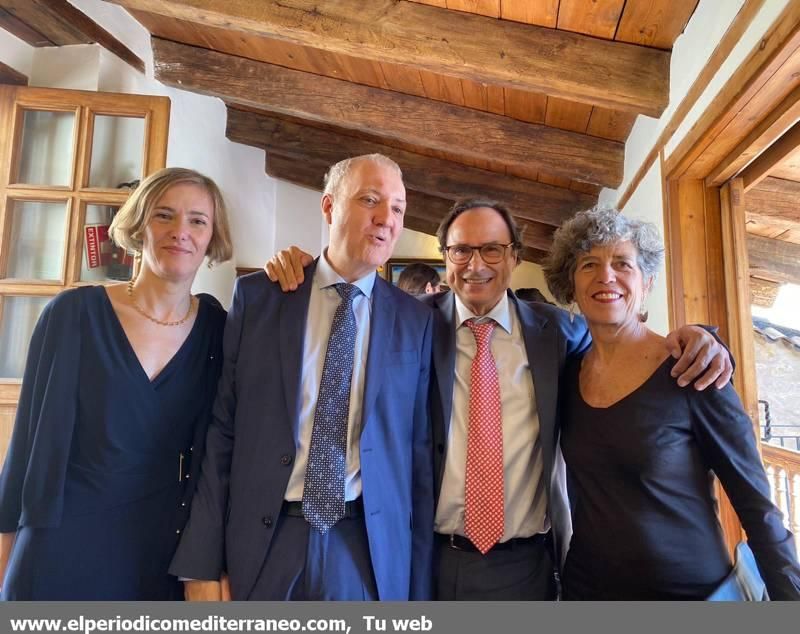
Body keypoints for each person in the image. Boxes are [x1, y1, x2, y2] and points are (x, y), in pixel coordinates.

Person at [266, 197, 733, 601]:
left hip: (527, 566)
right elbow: (345, 299)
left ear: (514, 257)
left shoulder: (560, 333)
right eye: (461, 250)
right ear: (444, 257)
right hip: (429, 559)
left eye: (491, 249)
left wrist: (702, 338)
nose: (476, 264)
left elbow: (626, 346)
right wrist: (302, 270)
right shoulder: (409, 323)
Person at [170, 154, 434, 601]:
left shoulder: (416, 320)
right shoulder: (261, 297)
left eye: (397, 208)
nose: (385, 219)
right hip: (265, 541)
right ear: (329, 207)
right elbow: (223, 433)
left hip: (366, 549)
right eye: (369, 200)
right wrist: (202, 562)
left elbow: (419, 455)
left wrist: (418, 590)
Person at [542, 206, 800, 600]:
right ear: (571, 286)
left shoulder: (694, 371)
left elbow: (757, 506)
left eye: (622, 263)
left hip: (691, 596)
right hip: (588, 591)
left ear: (645, 283)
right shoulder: (565, 374)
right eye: (589, 263)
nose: (605, 275)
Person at [0, 167, 233, 600]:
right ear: (139, 224)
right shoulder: (73, 314)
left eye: (197, 220)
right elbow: (26, 450)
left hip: (163, 553)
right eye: (164, 215)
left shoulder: (219, 330)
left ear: (212, 238)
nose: (180, 231)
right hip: (61, 544)